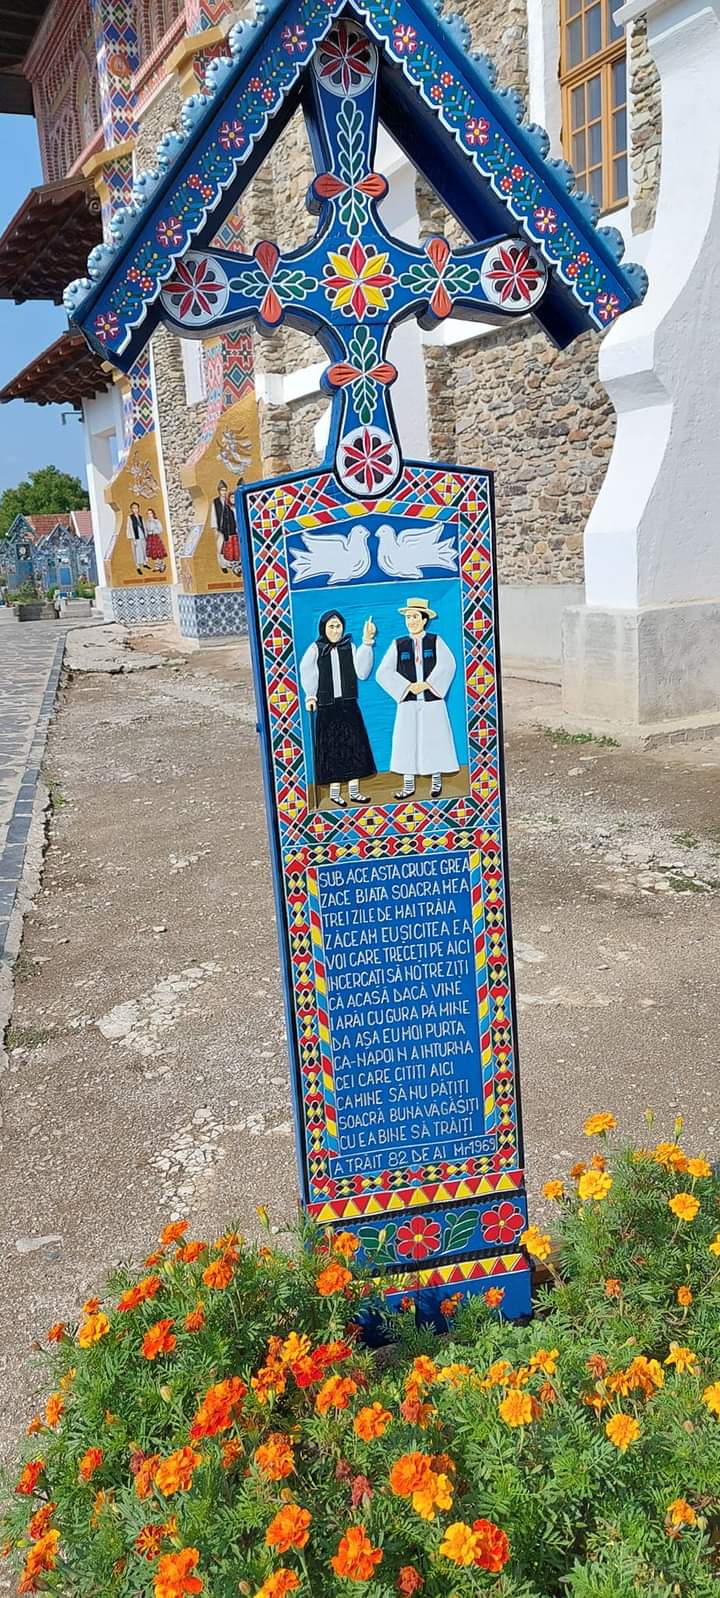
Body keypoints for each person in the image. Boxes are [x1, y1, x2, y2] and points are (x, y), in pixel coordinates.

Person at [376, 596, 459, 799]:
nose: (411, 621)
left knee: (434, 739)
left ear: (424, 619)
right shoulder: (399, 644)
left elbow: (447, 665)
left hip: (432, 701)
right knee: (407, 742)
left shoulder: (435, 641)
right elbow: (383, 672)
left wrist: (429, 684)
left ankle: (436, 781)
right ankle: (408, 785)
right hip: (408, 703)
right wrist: (407, 687)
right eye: (408, 617)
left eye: (415, 617)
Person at [300, 610, 377, 806]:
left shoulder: (349, 646)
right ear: (323, 628)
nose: (336, 631)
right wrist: (310, 695)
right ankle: (335, 793)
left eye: (338, 626)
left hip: (348, 704)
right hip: (327, 706)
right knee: (332, 749)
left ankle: (354, 791)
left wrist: (367, 643)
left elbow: (362, 672)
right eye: (331, 627)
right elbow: (308, 671)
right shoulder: (316, 649)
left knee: (353, 747)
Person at [212, 479, 241, 573]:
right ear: (219, 491)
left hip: (230, 529)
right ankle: (222, 565)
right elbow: (214, 515)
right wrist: (215, 528)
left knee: (232, 547)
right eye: (222, 490)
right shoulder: (216, 501)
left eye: (225, 490)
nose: (224, 492)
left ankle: (234, 564)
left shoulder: (230, 501)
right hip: (220, 529)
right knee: (220, 547)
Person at [145, 507, 167, 572]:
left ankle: (162, 565)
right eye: (148, 513)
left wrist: (153, 531)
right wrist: (148, 533)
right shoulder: (147, 522)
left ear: (153, 514)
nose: (149, 515)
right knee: (153, 553)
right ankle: (157, 567)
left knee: (158, 552)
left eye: (150, 513)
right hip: (150, 538)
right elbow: (146, 530)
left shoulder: (156, 521)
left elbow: (160, 529)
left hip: (155, 538)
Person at [127, 502, 147, 572]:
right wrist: (133, 538)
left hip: (142, 535)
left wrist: (145, 535)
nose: (135, 509)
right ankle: (137, 566)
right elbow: (130, 528)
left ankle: (144, 563)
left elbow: (144, 526)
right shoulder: (130, 517)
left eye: (136, 508)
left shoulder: (141, 517)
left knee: (143, 549)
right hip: (135, 536)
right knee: (137, 551)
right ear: (131, 509)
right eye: (134, 508)